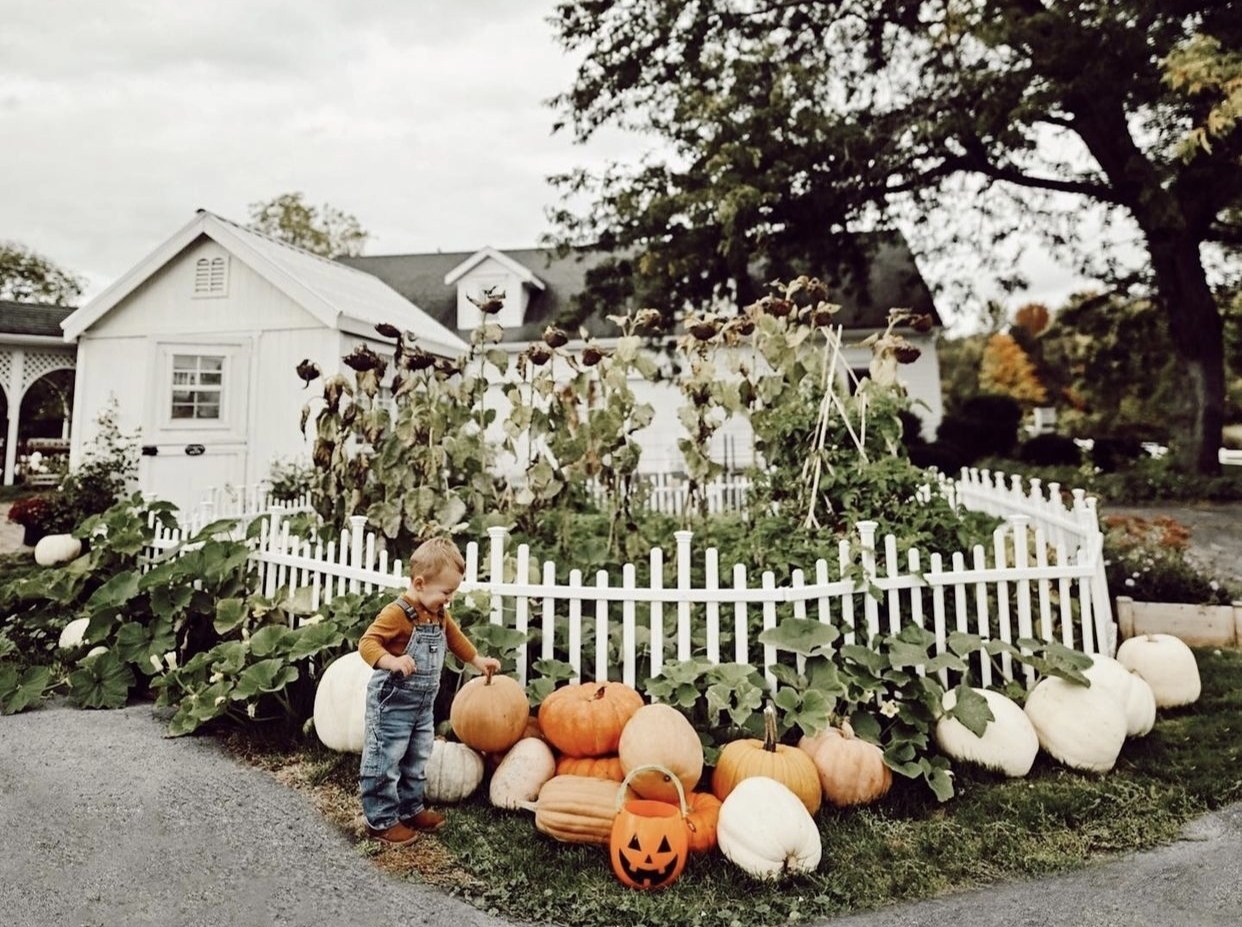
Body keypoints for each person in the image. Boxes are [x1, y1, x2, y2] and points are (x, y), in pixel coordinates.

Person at [357, 535, 502, 846]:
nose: (448, 600)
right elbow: (367, 643)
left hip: (422, 705)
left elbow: (455, 638)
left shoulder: (437, 614)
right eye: (446, 593)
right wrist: (391, 661)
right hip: (392, 703)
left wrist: (477, 659)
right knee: (386, 758)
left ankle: (409, 809)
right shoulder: (396, 614)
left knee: (417, 757)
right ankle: (380, 819)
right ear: (420, 583)